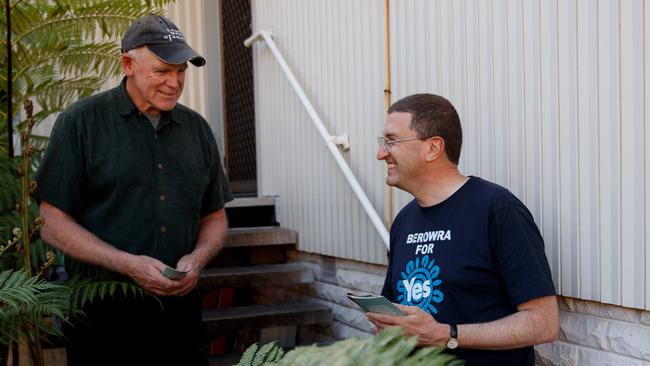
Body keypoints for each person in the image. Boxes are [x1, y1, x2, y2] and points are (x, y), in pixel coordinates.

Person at [32, 14, 233, 366]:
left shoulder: (198, 129)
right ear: (128, 64)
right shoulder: (80, 123)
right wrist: (125, 263)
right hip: (102, 321)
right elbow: (50, 221)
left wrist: (198, 259)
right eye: (162, 71)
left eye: (181, 71)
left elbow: (215, 216)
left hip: (181, 322)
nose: (174, 83)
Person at [369, 94, 559, 366]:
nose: (381, 153)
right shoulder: (403, 221)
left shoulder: (496, 209)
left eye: (392, 141)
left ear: (433, 148)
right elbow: (397, 310)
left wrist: (447, 335)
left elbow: (543, 324)